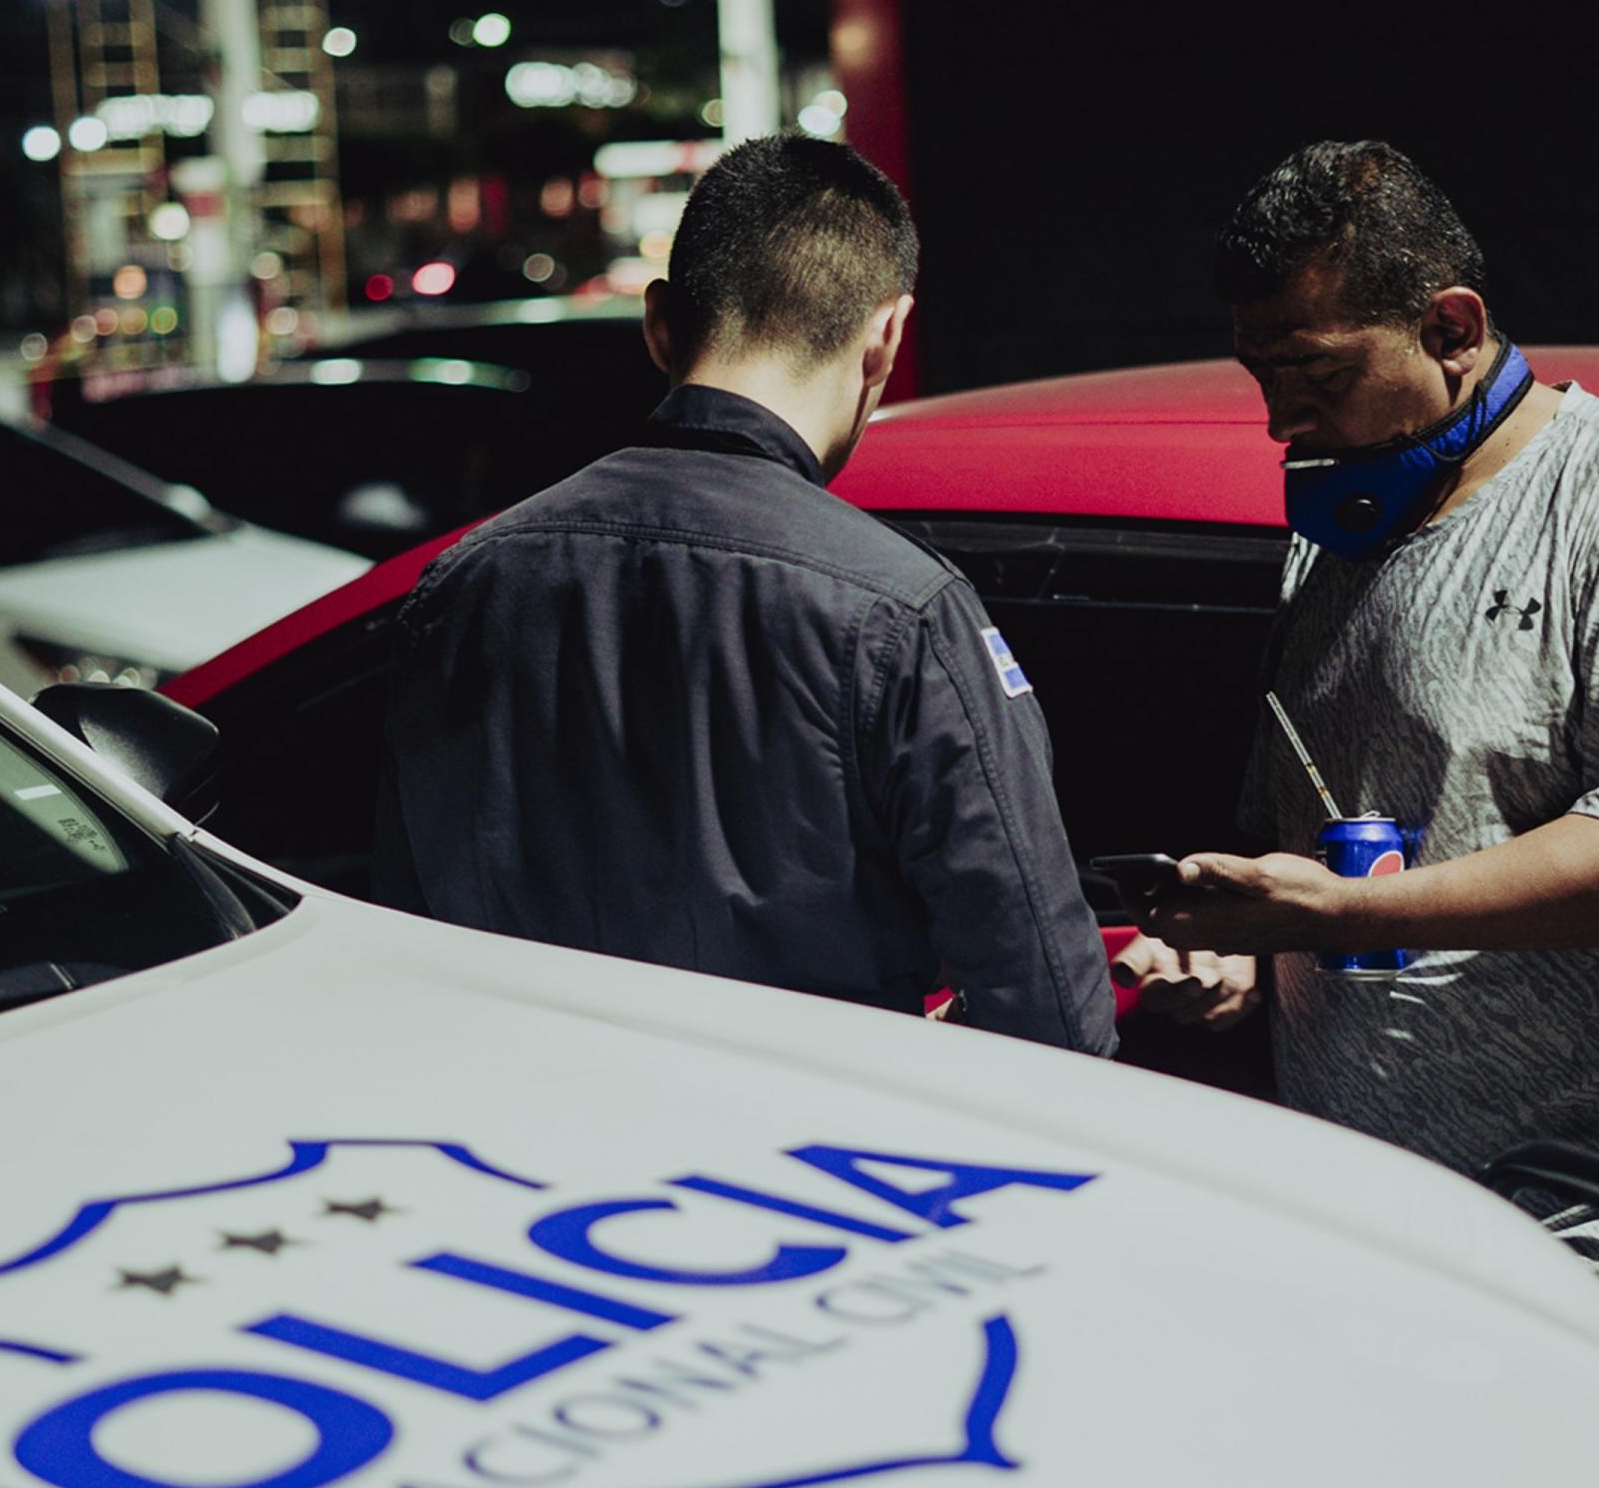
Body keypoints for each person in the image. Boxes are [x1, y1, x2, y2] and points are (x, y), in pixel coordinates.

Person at [1128, 141, 1599, 1400]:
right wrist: (1242, 948)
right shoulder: (1340, 529)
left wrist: (1343, 912)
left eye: (1314, 373)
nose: (1281, 419)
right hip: (1377, 1244)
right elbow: (1328, 836)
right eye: (1259, 376)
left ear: (1452, 325)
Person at [374, 134, 1117, 1056]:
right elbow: (1046, 1006)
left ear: (658, 325)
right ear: (886, 336)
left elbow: (395, 924)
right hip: (807, 1164)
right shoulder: (903, 611)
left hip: (523, 1143)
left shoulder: (464, 585)